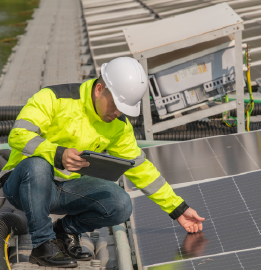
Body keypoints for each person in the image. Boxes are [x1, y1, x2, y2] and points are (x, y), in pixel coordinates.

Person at [0, 57, 205, 268]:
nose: (118, 113)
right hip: (24, 185)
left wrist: (178, 208)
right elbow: (18, 134)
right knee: (38, 166)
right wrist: (56, 153)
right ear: (99, 89)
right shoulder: (53, 98)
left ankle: (64, 231)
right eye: (116, 105)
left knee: (120, 204)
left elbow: (140, 168)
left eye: (123, 109)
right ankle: (43, 245)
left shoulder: (118, 125)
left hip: (64, 189)